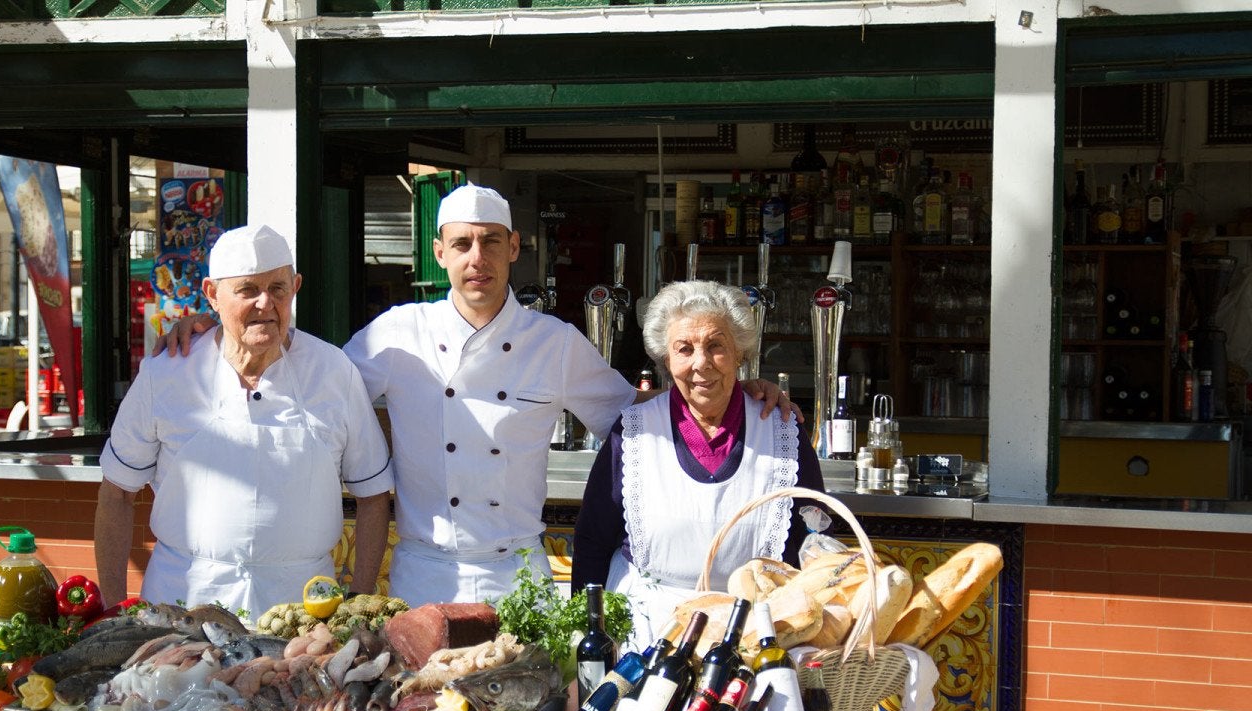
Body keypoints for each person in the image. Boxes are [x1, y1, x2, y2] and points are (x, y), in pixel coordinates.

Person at [159, 183, 794, 607]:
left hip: (519, 572)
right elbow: (309, 374)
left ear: (514, 248)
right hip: (421, 570)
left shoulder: (554, 341)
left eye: (491, 242)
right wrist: (214, 328)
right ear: (439, 253)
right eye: (461, 244)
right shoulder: (396, 333)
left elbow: (645, 422)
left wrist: (739, 389)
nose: (476, 258)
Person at [96, 224, 392, 619]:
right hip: (182, 601)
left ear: (296, 287)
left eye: (278, 289)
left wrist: (357, 603)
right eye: (248, 290)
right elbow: (116, 494)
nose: (265, 303)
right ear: (212, 295)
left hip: (302, 612)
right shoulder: (166, 373)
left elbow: (373, 495)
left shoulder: (334, 372)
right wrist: (114, 610)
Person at [571, 280, 825, 652]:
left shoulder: (781, 431)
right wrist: (584, 638)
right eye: (684, 349)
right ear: (666, 360)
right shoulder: (634, 433)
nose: (700, 363)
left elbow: (812, 547)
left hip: (751, 638)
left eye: (716, 346)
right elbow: (593, 541)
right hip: (644, 637)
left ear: (740, 353)